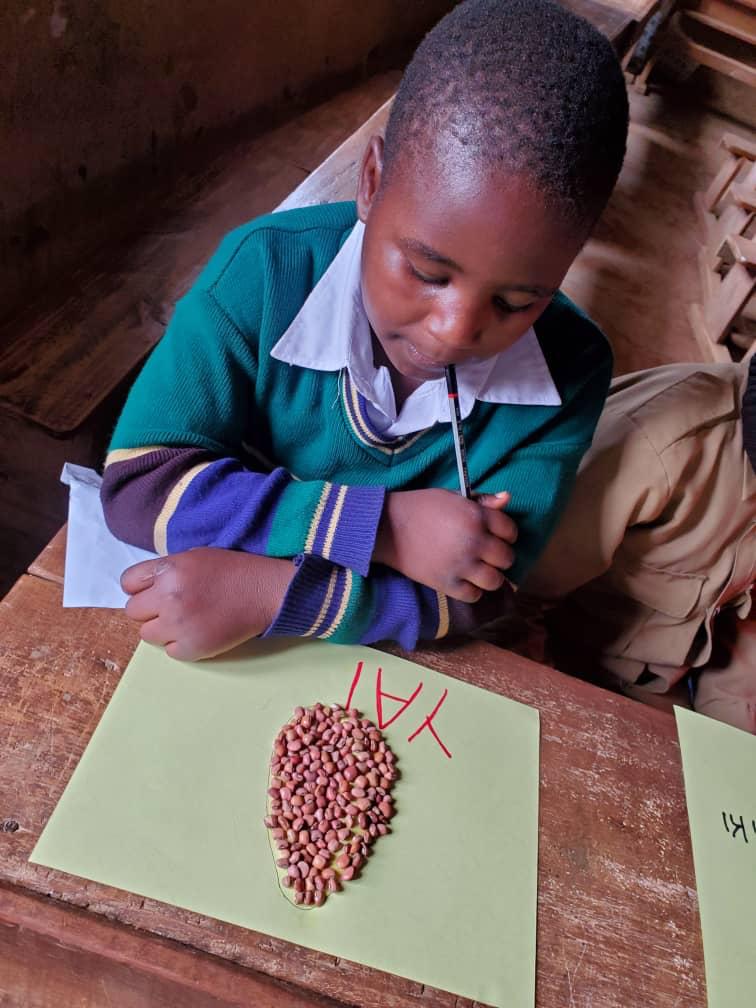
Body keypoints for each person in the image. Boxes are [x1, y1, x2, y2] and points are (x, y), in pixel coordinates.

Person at [101, 0, 628, 660]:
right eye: (426, 271)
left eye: (517, 302)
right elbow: (139, 487)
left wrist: (274, 595)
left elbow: (481, 597)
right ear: (372, 182)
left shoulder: (571, 372)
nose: (452, 331)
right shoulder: (263, 275)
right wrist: (381, 530)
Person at [522, 357, 756, 733]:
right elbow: (512, 604)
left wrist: (734, 741)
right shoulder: (658, 446)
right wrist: (561, 718)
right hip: (553, 656)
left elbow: (743, 632)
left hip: (654, 683)